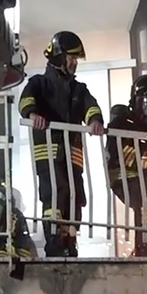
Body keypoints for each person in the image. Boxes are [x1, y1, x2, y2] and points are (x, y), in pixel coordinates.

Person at [18, 31, 105, 257]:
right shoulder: (39, 83)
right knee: (55, 192)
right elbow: (26, 100)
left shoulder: (79, 89)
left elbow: (91, 107)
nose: (74, 64)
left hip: (72, 154)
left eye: (75, 60)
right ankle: (54, 240)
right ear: (58, 56)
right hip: (49, 151)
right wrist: (32, 114)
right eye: (71, 58)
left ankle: (70, 240)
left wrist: (95, 120)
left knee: (75, 196)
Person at [105, 74, 147, 257]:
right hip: (123, 176)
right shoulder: (123, 122)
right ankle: (145, 246)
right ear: (136, 102)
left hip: (145, 177)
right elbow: (121, 154)